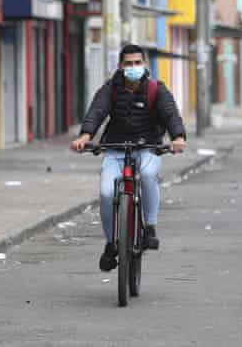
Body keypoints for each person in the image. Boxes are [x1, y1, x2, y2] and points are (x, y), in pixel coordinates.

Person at [71, 44, 187, 272]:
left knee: (146, 174)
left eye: (137, 63)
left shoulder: (156, 89)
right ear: (120, 66)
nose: (133, 67)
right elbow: (97, 111)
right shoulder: (111, 89)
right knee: (106, 192)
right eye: (128, 63)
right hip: (115, 148)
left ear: (144, 65)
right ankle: (111, 243)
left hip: (148, 147)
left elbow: (171, 114)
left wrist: (178, 137)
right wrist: (85, 137)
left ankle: (150, 227)